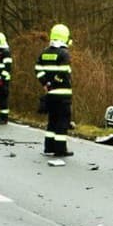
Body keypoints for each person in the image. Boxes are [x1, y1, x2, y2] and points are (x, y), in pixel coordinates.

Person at [35, 23, 74, 157]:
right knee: (63, 122)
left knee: (52, 121)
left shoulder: (44, 53)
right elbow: (64, 71)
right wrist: (55, 81)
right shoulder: (64, 53)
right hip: (63, 94)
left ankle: (49, 147)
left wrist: (45, 83)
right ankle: (60, 149)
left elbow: (37, 69)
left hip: (50, 94)